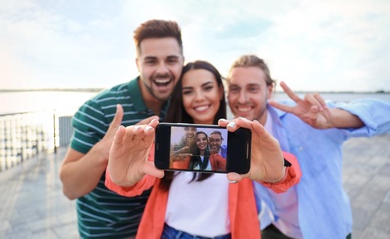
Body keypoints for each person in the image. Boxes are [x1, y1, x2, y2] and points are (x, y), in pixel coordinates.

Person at [105, 60, 302, 239]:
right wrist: (122, 179)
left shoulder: (238, 138)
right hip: (169, 234)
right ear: (180, 97)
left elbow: (286, 167)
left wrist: (280, 170)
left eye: (207, 88)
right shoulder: (166, 140)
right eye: (188, 91)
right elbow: (132, 179)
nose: (199, 97)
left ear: (219, 91)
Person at [225, 54, 390, 239]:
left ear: (269, 90)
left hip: (326, 230)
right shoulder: (234, 134)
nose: (242, 98)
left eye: (252, 89)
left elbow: (386, 115)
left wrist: (333, 119)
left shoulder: (306, 116)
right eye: (234, 89)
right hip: (275, 227)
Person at [59, 19, 185, 238]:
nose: (162, 70)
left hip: (157, 230)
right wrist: (104, 150)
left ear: (182, 62)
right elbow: (70, 188)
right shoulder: (100, 109)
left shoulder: (181, 102)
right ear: (138, 64)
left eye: (171, 60)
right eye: (151, 61)